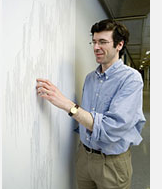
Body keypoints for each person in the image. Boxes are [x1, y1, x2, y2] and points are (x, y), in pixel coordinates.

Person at [36, 19, 146, 189]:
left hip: (111, 164)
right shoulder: (90, 78)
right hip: (84, 157)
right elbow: (86, 118)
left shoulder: (131, 79)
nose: (96, 47)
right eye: (94, 42)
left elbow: (112, 127)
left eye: (103, 42)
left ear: (119, 45)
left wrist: (67, 104)